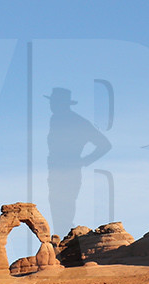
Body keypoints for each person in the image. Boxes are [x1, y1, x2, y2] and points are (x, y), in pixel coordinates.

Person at [44, 87, 111, 236]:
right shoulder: (55, 119)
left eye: (55, 102)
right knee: (56, 204)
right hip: (56, 170)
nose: (52, 105)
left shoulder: (77, 121)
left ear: (62, 104)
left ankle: (64, 238)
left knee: (65, 205)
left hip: (68, 171)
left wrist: (83, 161)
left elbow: (104, 144)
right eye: (52, 102)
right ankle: (61, 239)